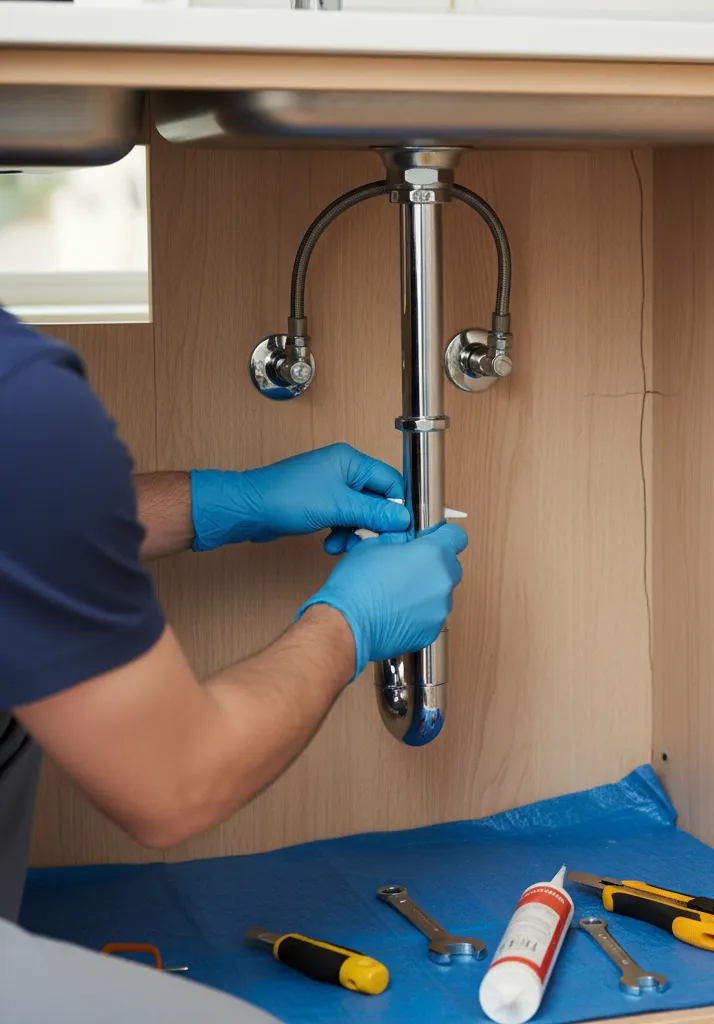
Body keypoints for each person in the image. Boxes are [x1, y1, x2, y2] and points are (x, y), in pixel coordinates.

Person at [0, 306, 468, 1020]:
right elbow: (173, 779)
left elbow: (21, 523)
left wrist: (222, 503)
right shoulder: (20, 388)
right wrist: (349, 624)